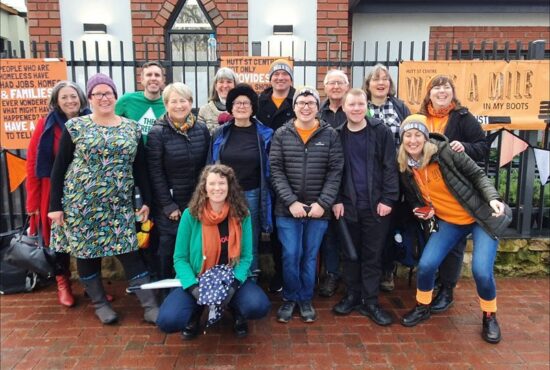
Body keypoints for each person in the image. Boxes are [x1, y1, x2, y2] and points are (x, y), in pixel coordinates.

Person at [48, 73, 159, 325]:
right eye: (98, 93)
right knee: (87, 255)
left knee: (130, 252)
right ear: (90, 98)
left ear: (115, 96)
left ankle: (150, 305)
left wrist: (146, 201)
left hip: (118, 205)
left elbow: (140, 167)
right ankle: (100, 304)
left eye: (108, 93)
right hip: (80, 204)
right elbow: (59, 168)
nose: (104, 97)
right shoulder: (76, 127)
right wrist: (55, 206)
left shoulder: (131, 127)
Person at [397, 114, 508, 344]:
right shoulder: (405, 167)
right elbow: (415, 198)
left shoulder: (446, 152)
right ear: (402, 139)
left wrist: (493, 198)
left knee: (481, 271)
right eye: (408, 136)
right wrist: (423, 208)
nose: (413, 140)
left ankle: (489, 316)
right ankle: (422, 306)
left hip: (480, 217)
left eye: (418, 135)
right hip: (449, 221)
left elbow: (478, 176)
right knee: (426, 265)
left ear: (426, 138)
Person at [156, 164, 271, 338]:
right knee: (168, 320)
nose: (217, 188)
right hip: (197, 277)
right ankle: (195, 311)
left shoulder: (242, 214)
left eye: (222, 183)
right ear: (204, 187)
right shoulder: (190, 215)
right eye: (212, 183)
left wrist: (233, 285)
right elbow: (180, 258)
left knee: (258, 306)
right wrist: (194, 288)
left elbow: (247, 256)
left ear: (230, 187)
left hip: (230, 276)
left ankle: (235, 308)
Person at [270, 86, 344, 323]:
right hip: (287, 210)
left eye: (310, 103)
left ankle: (305, 299)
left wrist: (323, 203)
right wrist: (291, 202)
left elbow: (335, 171)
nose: (305, 107)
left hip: (317, 211)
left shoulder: (330, 135)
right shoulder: (282, 134)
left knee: (310, 256)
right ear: (294, 108)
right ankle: (290, 297)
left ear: (317, 107)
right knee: (291, 254)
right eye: (301, 103)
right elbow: (275, 170)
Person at [418, 75, 487, 313]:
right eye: (436, 87)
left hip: (456, 193)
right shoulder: (421, 118)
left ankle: (447, 289)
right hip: (429, 191)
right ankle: (436, 280)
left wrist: (464, 147)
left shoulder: (462, 118)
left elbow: (482, 146)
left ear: (452, 92)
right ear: (429, 93)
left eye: (445, 87)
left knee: (455, 245)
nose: (441, 91)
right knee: (433, 242)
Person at [331, 89, 398, 326]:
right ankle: (351, 296)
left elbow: (390, 166)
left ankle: (370, 302)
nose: (357, 108)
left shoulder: (380, 131)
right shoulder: (337, 135)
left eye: (360, 104)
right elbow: (334, 171)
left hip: (376, 206)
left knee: (372, 256)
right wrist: (337, 199)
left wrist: (389, 199)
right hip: (348, 206)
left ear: (366, 106)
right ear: (345, 108)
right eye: (352, 105)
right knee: (350, 254)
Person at [26, 81, 91, 307]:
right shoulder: (46, 125)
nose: (70, 101)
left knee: (88, 239)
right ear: (56, 101)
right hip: (53, 192)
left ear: (81, 99)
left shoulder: (91, 121)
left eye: (73, 96)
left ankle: (92, 286)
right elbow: (33, 164)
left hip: (85, 192)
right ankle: (63, 284)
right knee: (59, 241)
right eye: (64, 97)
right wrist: (33, 201)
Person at [146, 82, 210, 284]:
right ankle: (167, 290)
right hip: (171, 205)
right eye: (173, 101)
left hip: (196, 201)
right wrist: (167, 205)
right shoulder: (158, 132)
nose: (179, 105)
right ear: (166, 104)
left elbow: (207, 167)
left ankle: (192, 288)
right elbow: (155, 172)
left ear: (190, 102)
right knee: (169, 248)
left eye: (183, 100)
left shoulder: (201, 129)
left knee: (195, 246)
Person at [208, 83, 273, 276]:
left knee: (247, 242)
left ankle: (248, 282)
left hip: (252, 194)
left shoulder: (265, 134)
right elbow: (211, 164)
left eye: (246, 103)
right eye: (237, 103)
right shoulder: (220, 133)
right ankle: (225, 280)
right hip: (223, 195)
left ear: (253, 107)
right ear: (231, 107)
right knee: (223, 239)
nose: (242, 106)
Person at [364, 64, 411, 292]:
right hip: (368, 176)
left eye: (385, 79)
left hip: (396, 176)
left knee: (391, 223)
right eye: (376, 79)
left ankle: (387, 269)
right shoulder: (361, 107)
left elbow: (413, 137)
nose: (381, 83)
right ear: (368, 84)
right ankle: (367, 269)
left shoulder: (400, 107)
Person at [256, 58, 296, 293]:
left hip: (288, 169)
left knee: (283, 226)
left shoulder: (298, 101)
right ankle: (259, 272)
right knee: (267, 224)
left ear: (291, 79)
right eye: (276, 75)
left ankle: (282, 275)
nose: (280, 78)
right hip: (263, 168)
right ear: (270, 79)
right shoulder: (260, 101)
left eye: (285, 75)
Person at [317, 69, 350, 297]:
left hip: (352, 179)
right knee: (329, 233)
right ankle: (331, 273)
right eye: (331, 83)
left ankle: (350, 274)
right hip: (326, 180)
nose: (336, 87)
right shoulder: (318, 114)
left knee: (350, 230)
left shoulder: (354, 110)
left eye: (340, 83)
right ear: (325, 88)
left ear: (346, 86)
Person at [115, 61, 166, 144]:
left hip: (160, 155)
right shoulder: (127, 100)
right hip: (133, 155)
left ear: (163, 80)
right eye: (149, 75)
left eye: (157, 75)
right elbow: (112, 124)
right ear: (141, 80)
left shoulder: (169, 104)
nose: (153, 78)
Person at [198, 67, 238, 134]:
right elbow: (200, 137)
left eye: (229, 82)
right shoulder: (204, 110)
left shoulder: (242, 109)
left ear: (235, 85)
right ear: (216, 86)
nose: (225, 86)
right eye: (221, 82)